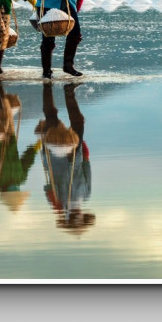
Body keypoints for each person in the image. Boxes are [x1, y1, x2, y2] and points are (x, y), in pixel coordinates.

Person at [35, 82, 94, 234]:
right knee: (72, 121)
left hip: (59, 155)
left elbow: (48, 186)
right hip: (72, 154)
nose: (77, 216)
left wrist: (58, 208)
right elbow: (87, 167)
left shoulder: (60, 203)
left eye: (74, 219)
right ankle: (67, 92)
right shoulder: (85, 195)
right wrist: (83, 147)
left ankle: (49, 88)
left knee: (54, 119)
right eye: (78, 218)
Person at [0, 81, 39, 202]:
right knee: (4, 113)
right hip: (10, 138)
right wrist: (35, 148)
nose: (17, 190)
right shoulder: (20, 178)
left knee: (0, 112)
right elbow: (27, 160)